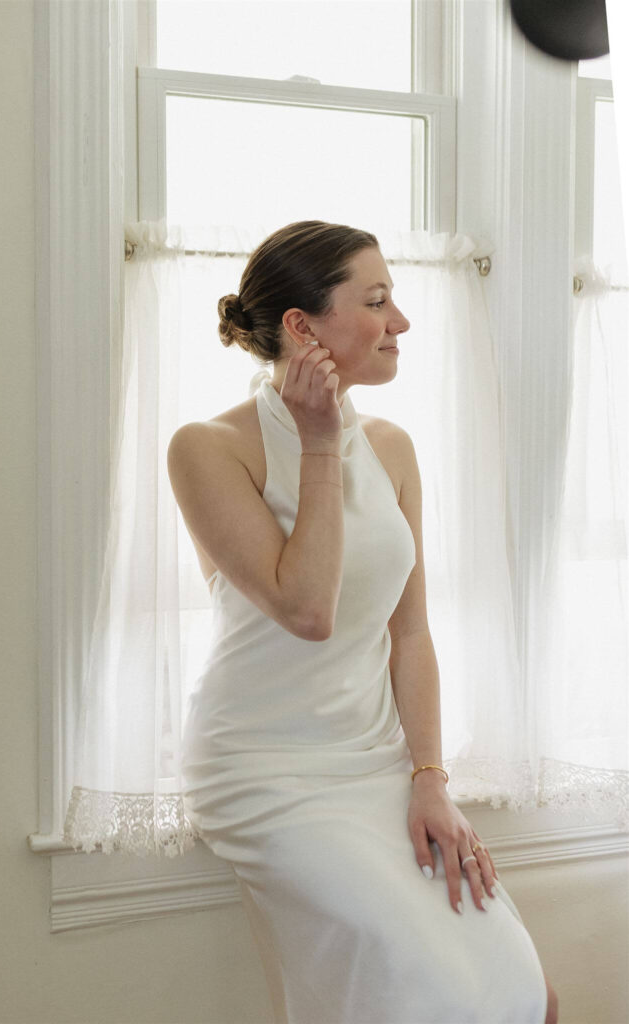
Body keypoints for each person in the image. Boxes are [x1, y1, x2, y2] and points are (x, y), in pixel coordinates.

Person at [167, 220, 558, 1024]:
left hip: (378, 763)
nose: (400, 322)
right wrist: (317, 441)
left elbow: (408, 635)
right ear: (301, 328)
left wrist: (429, 781)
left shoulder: (394, 448)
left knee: (524, 994)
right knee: (425, 993)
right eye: (375, 301)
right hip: (265, 769)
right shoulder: (206, 449)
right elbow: (307, 609)